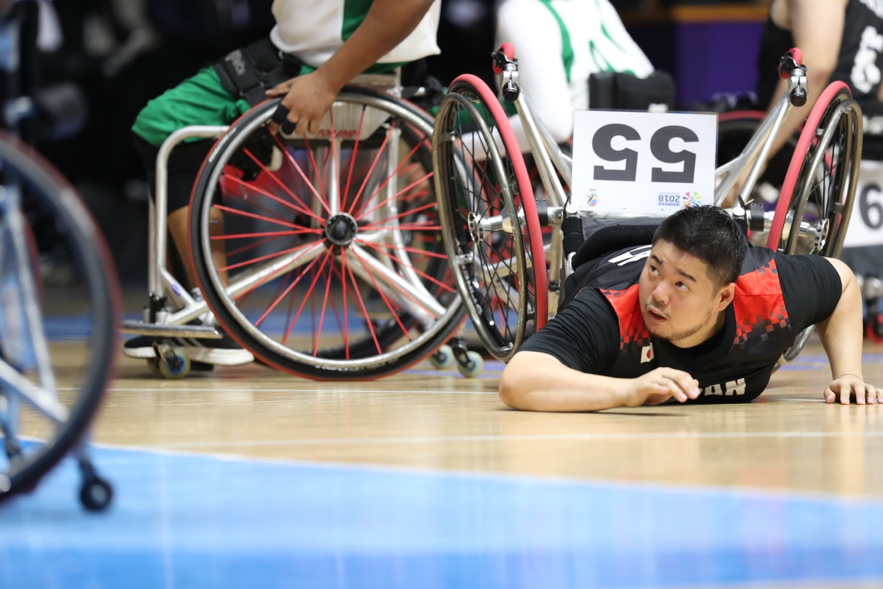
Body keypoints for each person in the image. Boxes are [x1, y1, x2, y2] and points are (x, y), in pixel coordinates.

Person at [123, 0, 441, 366]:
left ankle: (213, 314)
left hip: (330, 63)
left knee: (165, 124)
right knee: (166, 123)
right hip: (302, 52)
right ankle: (199, 307)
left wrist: (327, 80)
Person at [498, 205, 882, 411]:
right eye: (654, 270)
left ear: (723, 298)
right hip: (603, 260)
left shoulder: (769, 291)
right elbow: (519, 380)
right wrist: (627, 391)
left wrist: (847, 373)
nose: (658, 294)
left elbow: (843, 280)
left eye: (681, 284)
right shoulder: (613, 310)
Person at [493, 0, 664, 153]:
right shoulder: (598, 4)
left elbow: (552, 124)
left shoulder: (521, 10)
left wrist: (466, 146)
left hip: (575, 165)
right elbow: (651, 81)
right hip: (641, 155)